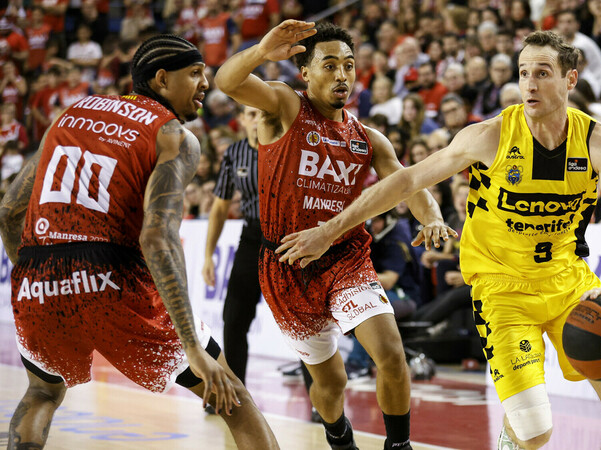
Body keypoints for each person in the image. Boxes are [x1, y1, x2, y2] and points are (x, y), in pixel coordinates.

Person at [278, 30, 601, 450]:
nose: (529, 83)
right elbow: (407, 181)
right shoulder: (489, 136)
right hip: (502, 290)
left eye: (542, 73)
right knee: (535, 430)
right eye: (524, 72)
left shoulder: (599, 142)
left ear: (570, 79)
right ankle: (512, 436)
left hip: (569, 282)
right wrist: (329, 230)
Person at [0, 34, 277, 449]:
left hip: (39, 275)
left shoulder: (71, 114)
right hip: (113, 276)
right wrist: (191, 346)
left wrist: (32, 274)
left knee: (42, 392)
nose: (206, 83)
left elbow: (8, 211)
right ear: (162, 79)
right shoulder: (174, 136)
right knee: (232, 398)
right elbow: (157, 236)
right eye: (195, 73)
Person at [216, 21, 453, 450]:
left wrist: (431, 217)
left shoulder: (368, 139)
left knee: (391, 354)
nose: (342, 74)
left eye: (348, 65)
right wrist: (262, 51)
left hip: (346, 258)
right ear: (305, 71)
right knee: (331, 382)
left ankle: (399, 446)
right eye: (329, 65)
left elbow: (407, 184)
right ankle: (339, 437)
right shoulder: (285, 105)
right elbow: (227, 81)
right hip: (287, 267)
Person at [202, 104, 261, 385]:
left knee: (303, 325)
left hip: (288, 239)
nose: (258, 119)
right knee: (234, 318)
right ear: (241, 120)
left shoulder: (287, 147)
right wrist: (207, 255)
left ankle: (319, 402)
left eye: (264, 113)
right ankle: (236, 394)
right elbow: (220, 206)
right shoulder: (235, 153)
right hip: (252, 237)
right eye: (252, 114)